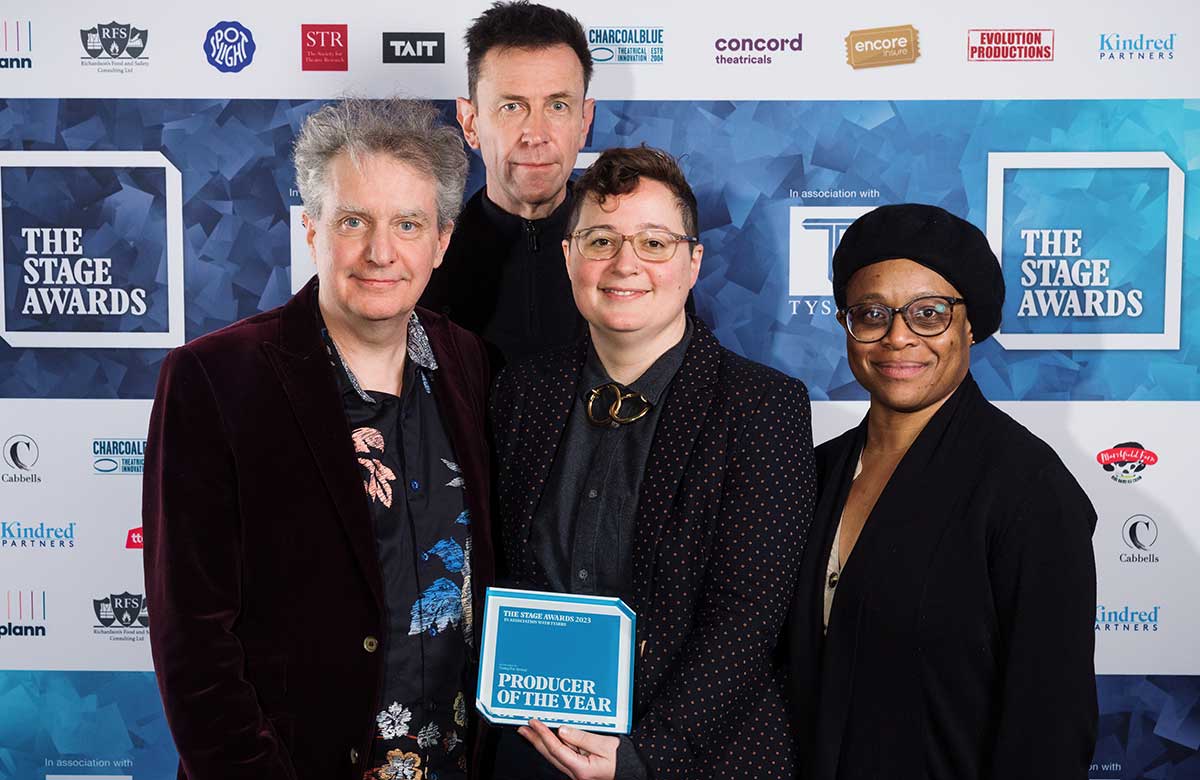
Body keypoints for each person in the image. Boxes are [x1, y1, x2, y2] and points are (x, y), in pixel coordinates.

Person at [142, 99, 494, 780]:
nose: (380, 252)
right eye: (354, 221)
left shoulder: (472, 364)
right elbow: (193, 642)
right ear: (311, 228)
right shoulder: (216, 378)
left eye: (408, 224)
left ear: (442, 241)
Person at [490, 146, 816, 780]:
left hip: (693, 758)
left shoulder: (763, 407)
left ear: (693, 263)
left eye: (655, 243)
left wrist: (643, 755)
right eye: (601, 239)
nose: (624, 264)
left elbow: (748, 618)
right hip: (536, 750)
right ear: (569, 257)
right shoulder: (519, 393)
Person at [786, 204, 1098, 779]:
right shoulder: (815, 474)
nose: (899, 337)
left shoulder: (1028, 489)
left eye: (929, 313)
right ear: (846, 325)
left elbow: (1050, 728)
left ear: (970, 324)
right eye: (872, 312)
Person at [420, 0, 594, 366]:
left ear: (585, 121)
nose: (536, 135)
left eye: (558, 106)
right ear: (470, 123)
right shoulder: (421, 259)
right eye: (512, 107)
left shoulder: (633, 258)